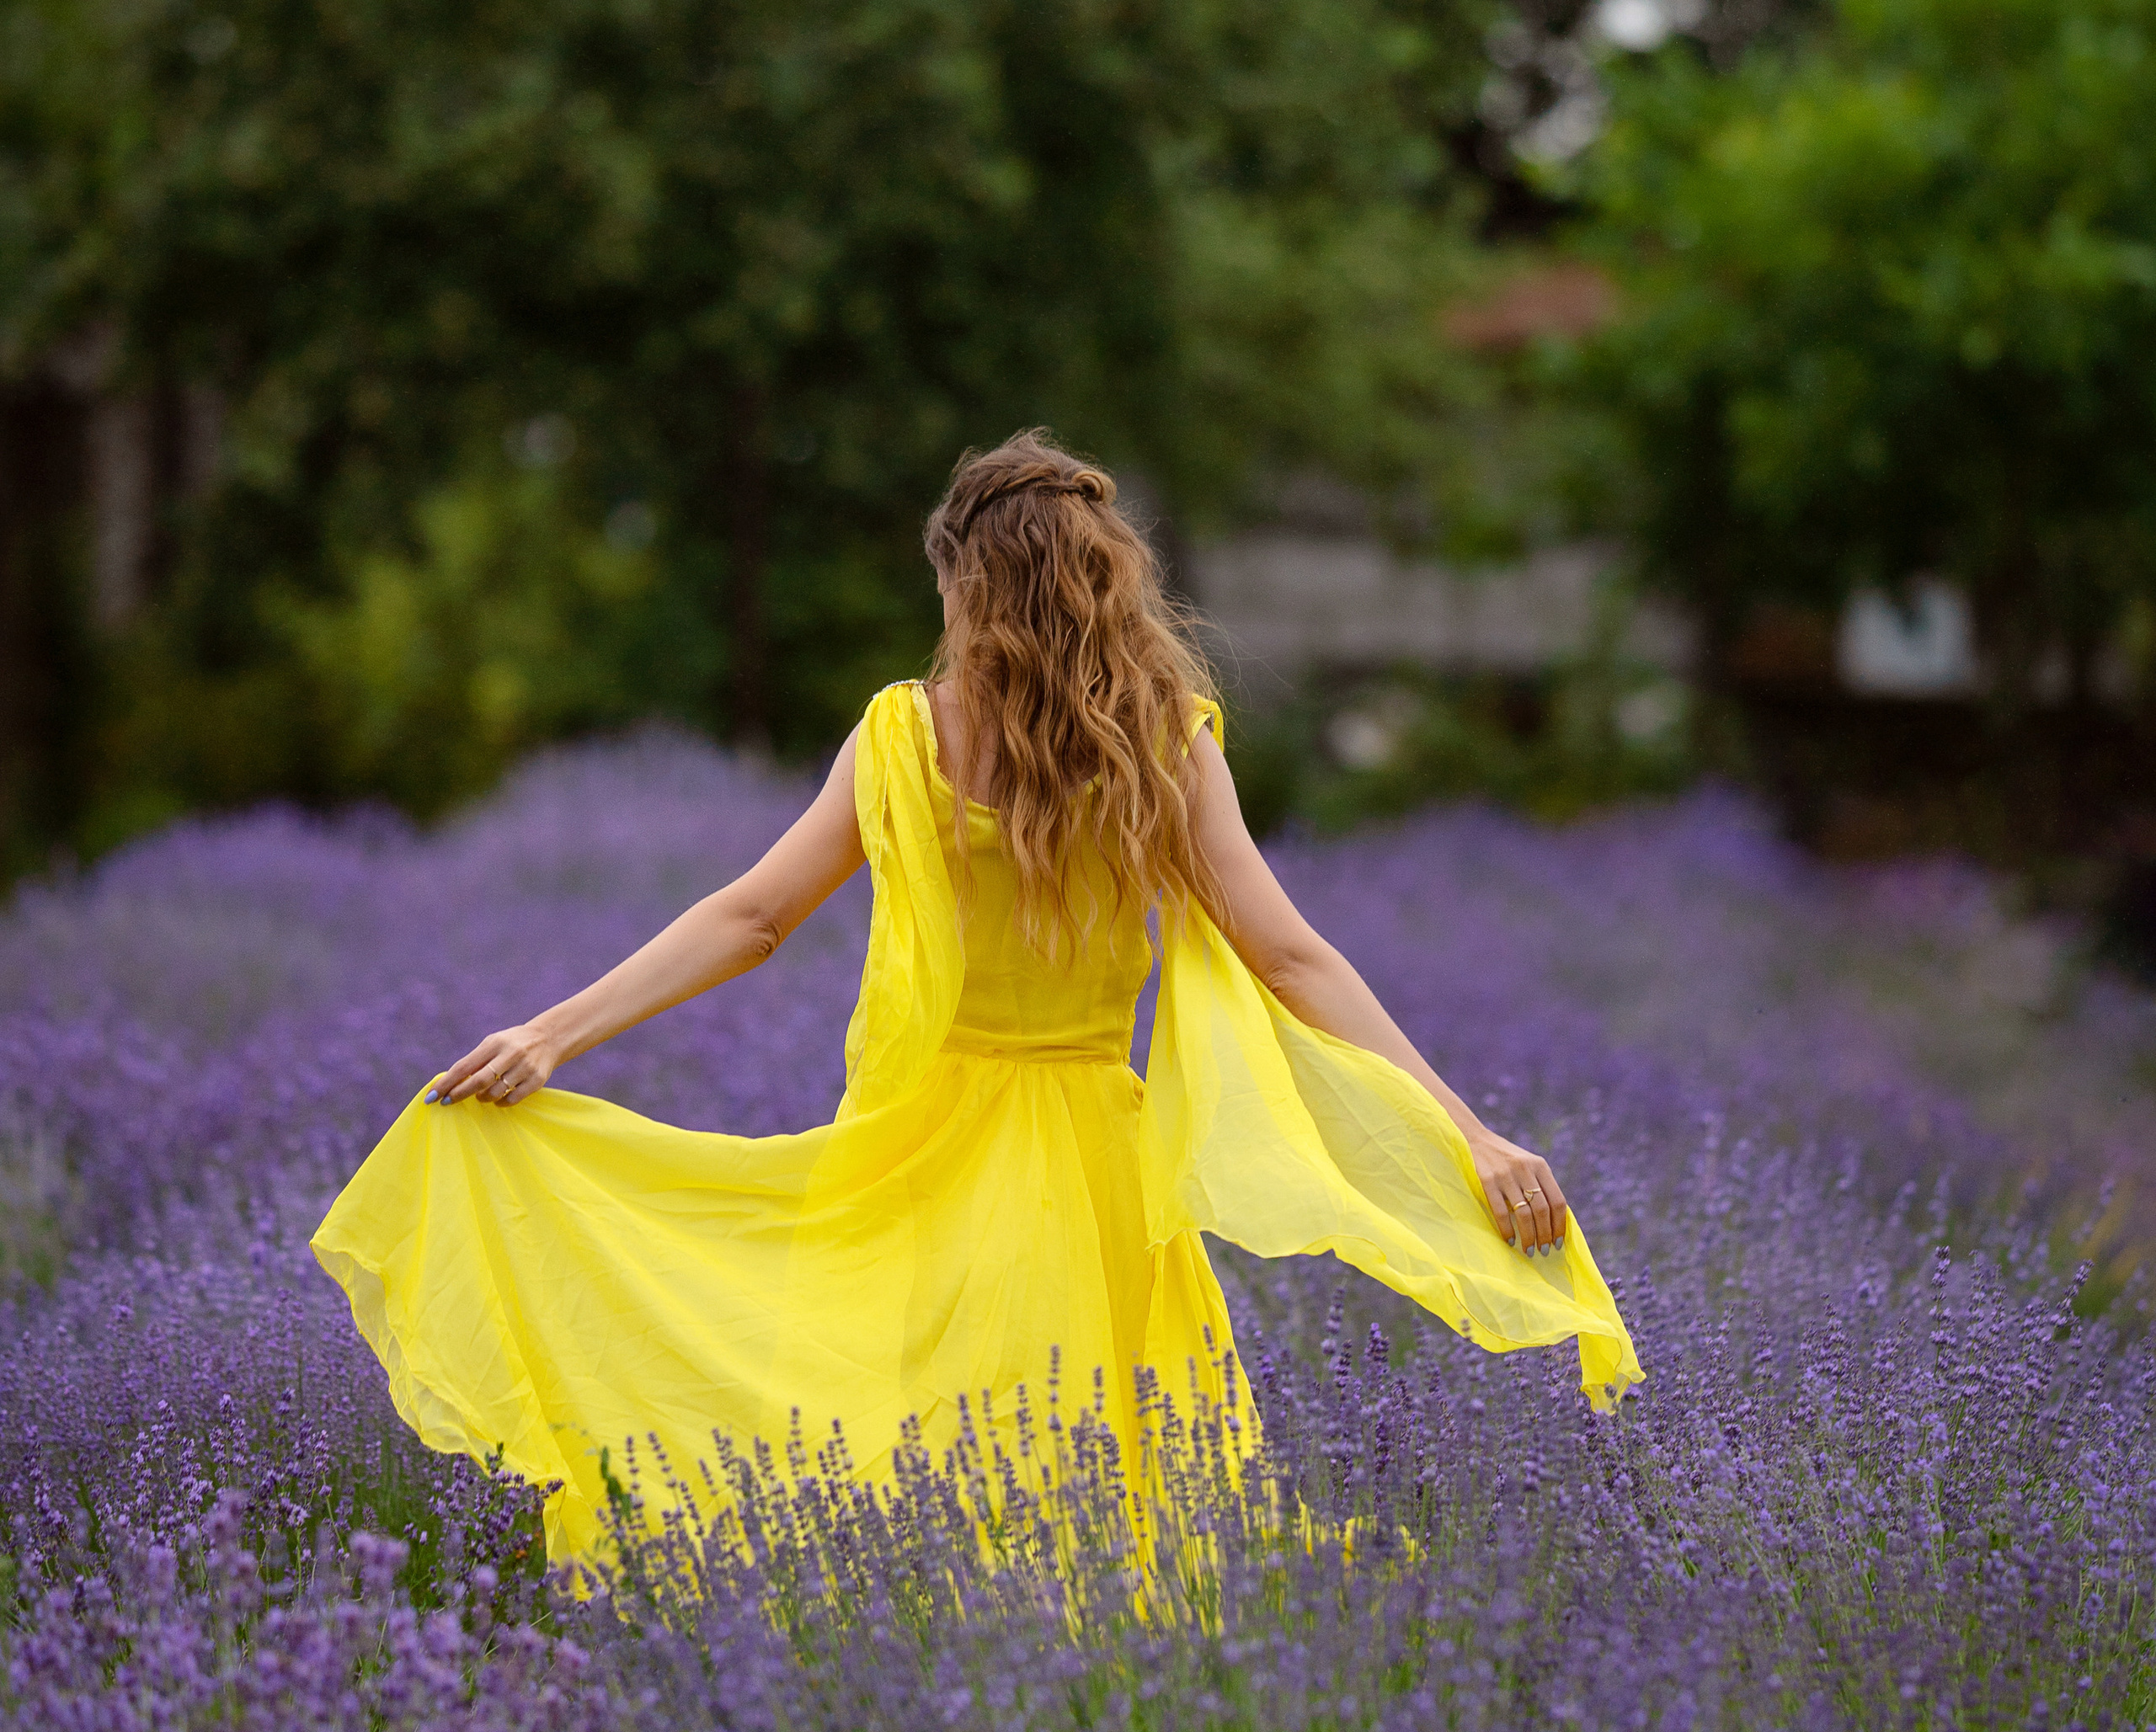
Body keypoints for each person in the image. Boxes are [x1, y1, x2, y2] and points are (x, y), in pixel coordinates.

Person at [313, 434, 1639, 1563]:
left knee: (917, 1475)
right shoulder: (1163, 744)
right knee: (1120, 1517)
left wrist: (552, 1030)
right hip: (1104, 1174)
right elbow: (1293, 960)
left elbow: (753, 916)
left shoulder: (906, 733)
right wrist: (1472, 1132)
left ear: (963, 581)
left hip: (925, 1159)